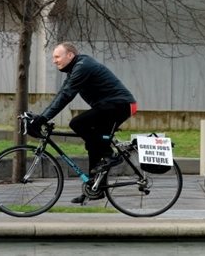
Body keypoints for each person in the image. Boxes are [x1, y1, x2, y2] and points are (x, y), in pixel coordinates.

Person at [30, 42, 137, 204]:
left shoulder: (82, 66)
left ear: (70, 55)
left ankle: (109, 154)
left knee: (78, 124)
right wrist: (41, 116)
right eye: (53, 58)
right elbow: (61, 94)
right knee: (94, 147)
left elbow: (66, 95)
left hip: (120, 105)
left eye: (57, 56)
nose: (54, 61)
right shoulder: (75, 70)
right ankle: (94, 189)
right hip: (110, 106)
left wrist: (43, 119)